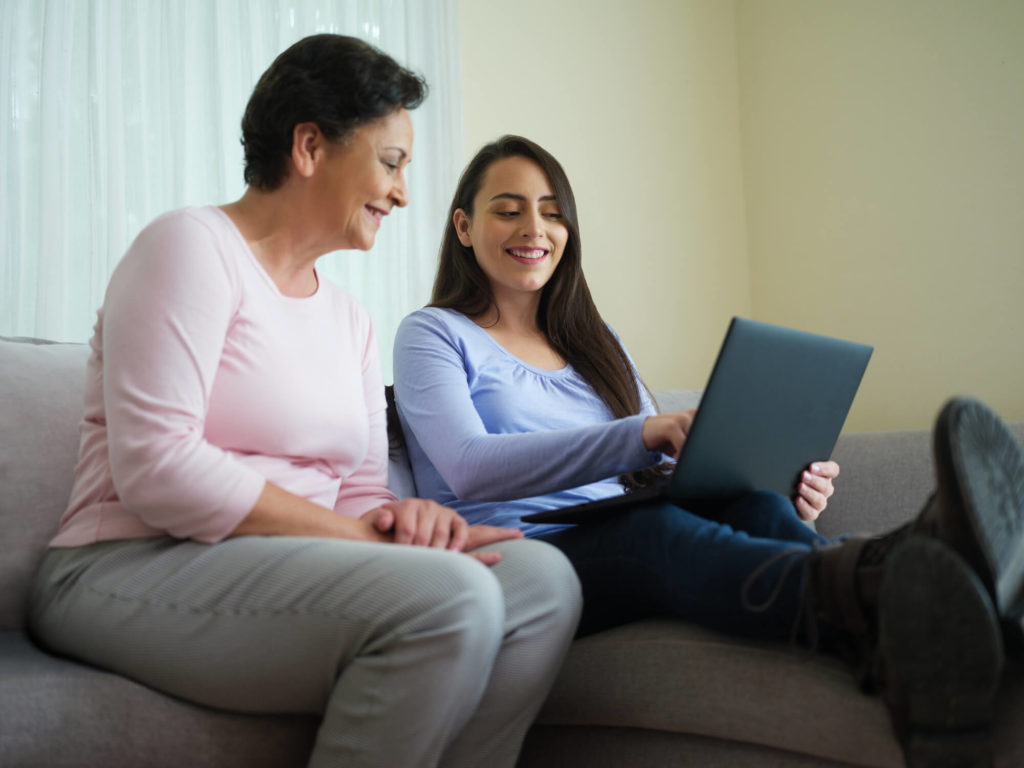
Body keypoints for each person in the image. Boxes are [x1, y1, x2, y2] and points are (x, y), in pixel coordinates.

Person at [28, 42, 581, 768]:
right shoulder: (189, 248)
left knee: (542, 582)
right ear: (310, 145)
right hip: (123, 565)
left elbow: (355, 488)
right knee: (450, 599)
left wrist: (393, 519)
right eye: (391, 163)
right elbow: (158, 468)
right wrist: (357, 539)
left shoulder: (350, 318)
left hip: (287, 558)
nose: (404, 194)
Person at [392, 134, 1024, 760]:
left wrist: (777, 486)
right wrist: (641, 433)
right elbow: (468, 467)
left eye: (553, 212)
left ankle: (914, 606)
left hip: (614, 527)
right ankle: (903, 574)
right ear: (464, 226)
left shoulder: (597, 343)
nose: (535, 227)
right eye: (509, 209)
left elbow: (658, 471)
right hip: (525, 558)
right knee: (651, 534)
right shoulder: (433, 334)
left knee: (756, 509)